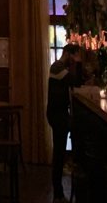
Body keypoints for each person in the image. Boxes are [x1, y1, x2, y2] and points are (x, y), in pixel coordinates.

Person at [46, 43, 83, 203]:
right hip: (57, 115)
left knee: (59, 152)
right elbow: (76, 82)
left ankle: (59, 191)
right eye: (74, 56)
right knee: (59, 153)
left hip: (58, 114)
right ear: (68, 53)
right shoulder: (57, 67)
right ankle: (57, 192)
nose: (74, 60)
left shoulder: (59, 68)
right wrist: (79, 64)